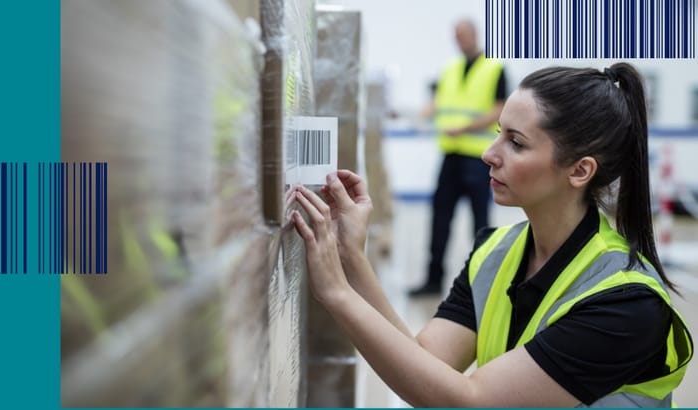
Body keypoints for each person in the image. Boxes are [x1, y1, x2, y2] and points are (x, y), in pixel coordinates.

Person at [288, 62, 694, 407]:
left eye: (515, 142)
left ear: (579, 171)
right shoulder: (495, 252)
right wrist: (351, 257)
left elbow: (471, 400)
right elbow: (428, 361)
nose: (489, 152)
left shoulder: (626, 305)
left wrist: (337, 293)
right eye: (498, 132)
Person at [412, 19, 507, 296]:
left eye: (461, 35)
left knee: (480, 223)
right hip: (451, 156)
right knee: (440, 219)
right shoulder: (450, 69)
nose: (458, 41)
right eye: (454, 36)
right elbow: (438, 102)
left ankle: (483, 283)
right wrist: (420, 114)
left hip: (480, 158)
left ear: (474, 34)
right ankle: (432, 280)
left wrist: (465, 128)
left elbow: (499, 109)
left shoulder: (494, 68)